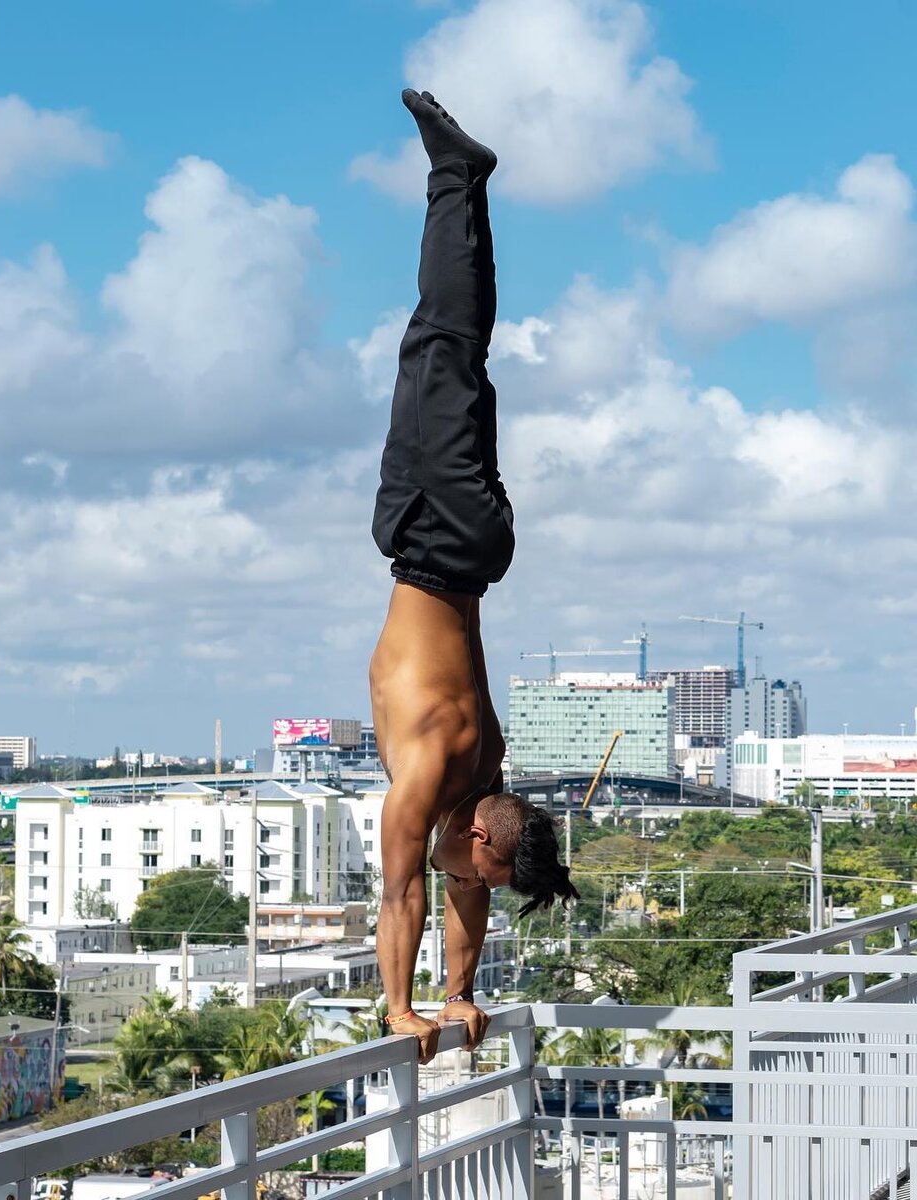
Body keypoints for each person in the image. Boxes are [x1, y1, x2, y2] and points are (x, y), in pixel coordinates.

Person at [370, 90, 579, 1065]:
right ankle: (460, 174)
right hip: (443, 541)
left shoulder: (480, 790)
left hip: (446, 547)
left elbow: (451, 891)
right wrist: (397, 1008)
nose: (475, 890)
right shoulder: (440, 766)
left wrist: (456, 995)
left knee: (443, 347)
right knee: (448, 342)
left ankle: (459, 179)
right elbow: (404, 887)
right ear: (486, 841)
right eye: (486, 878)